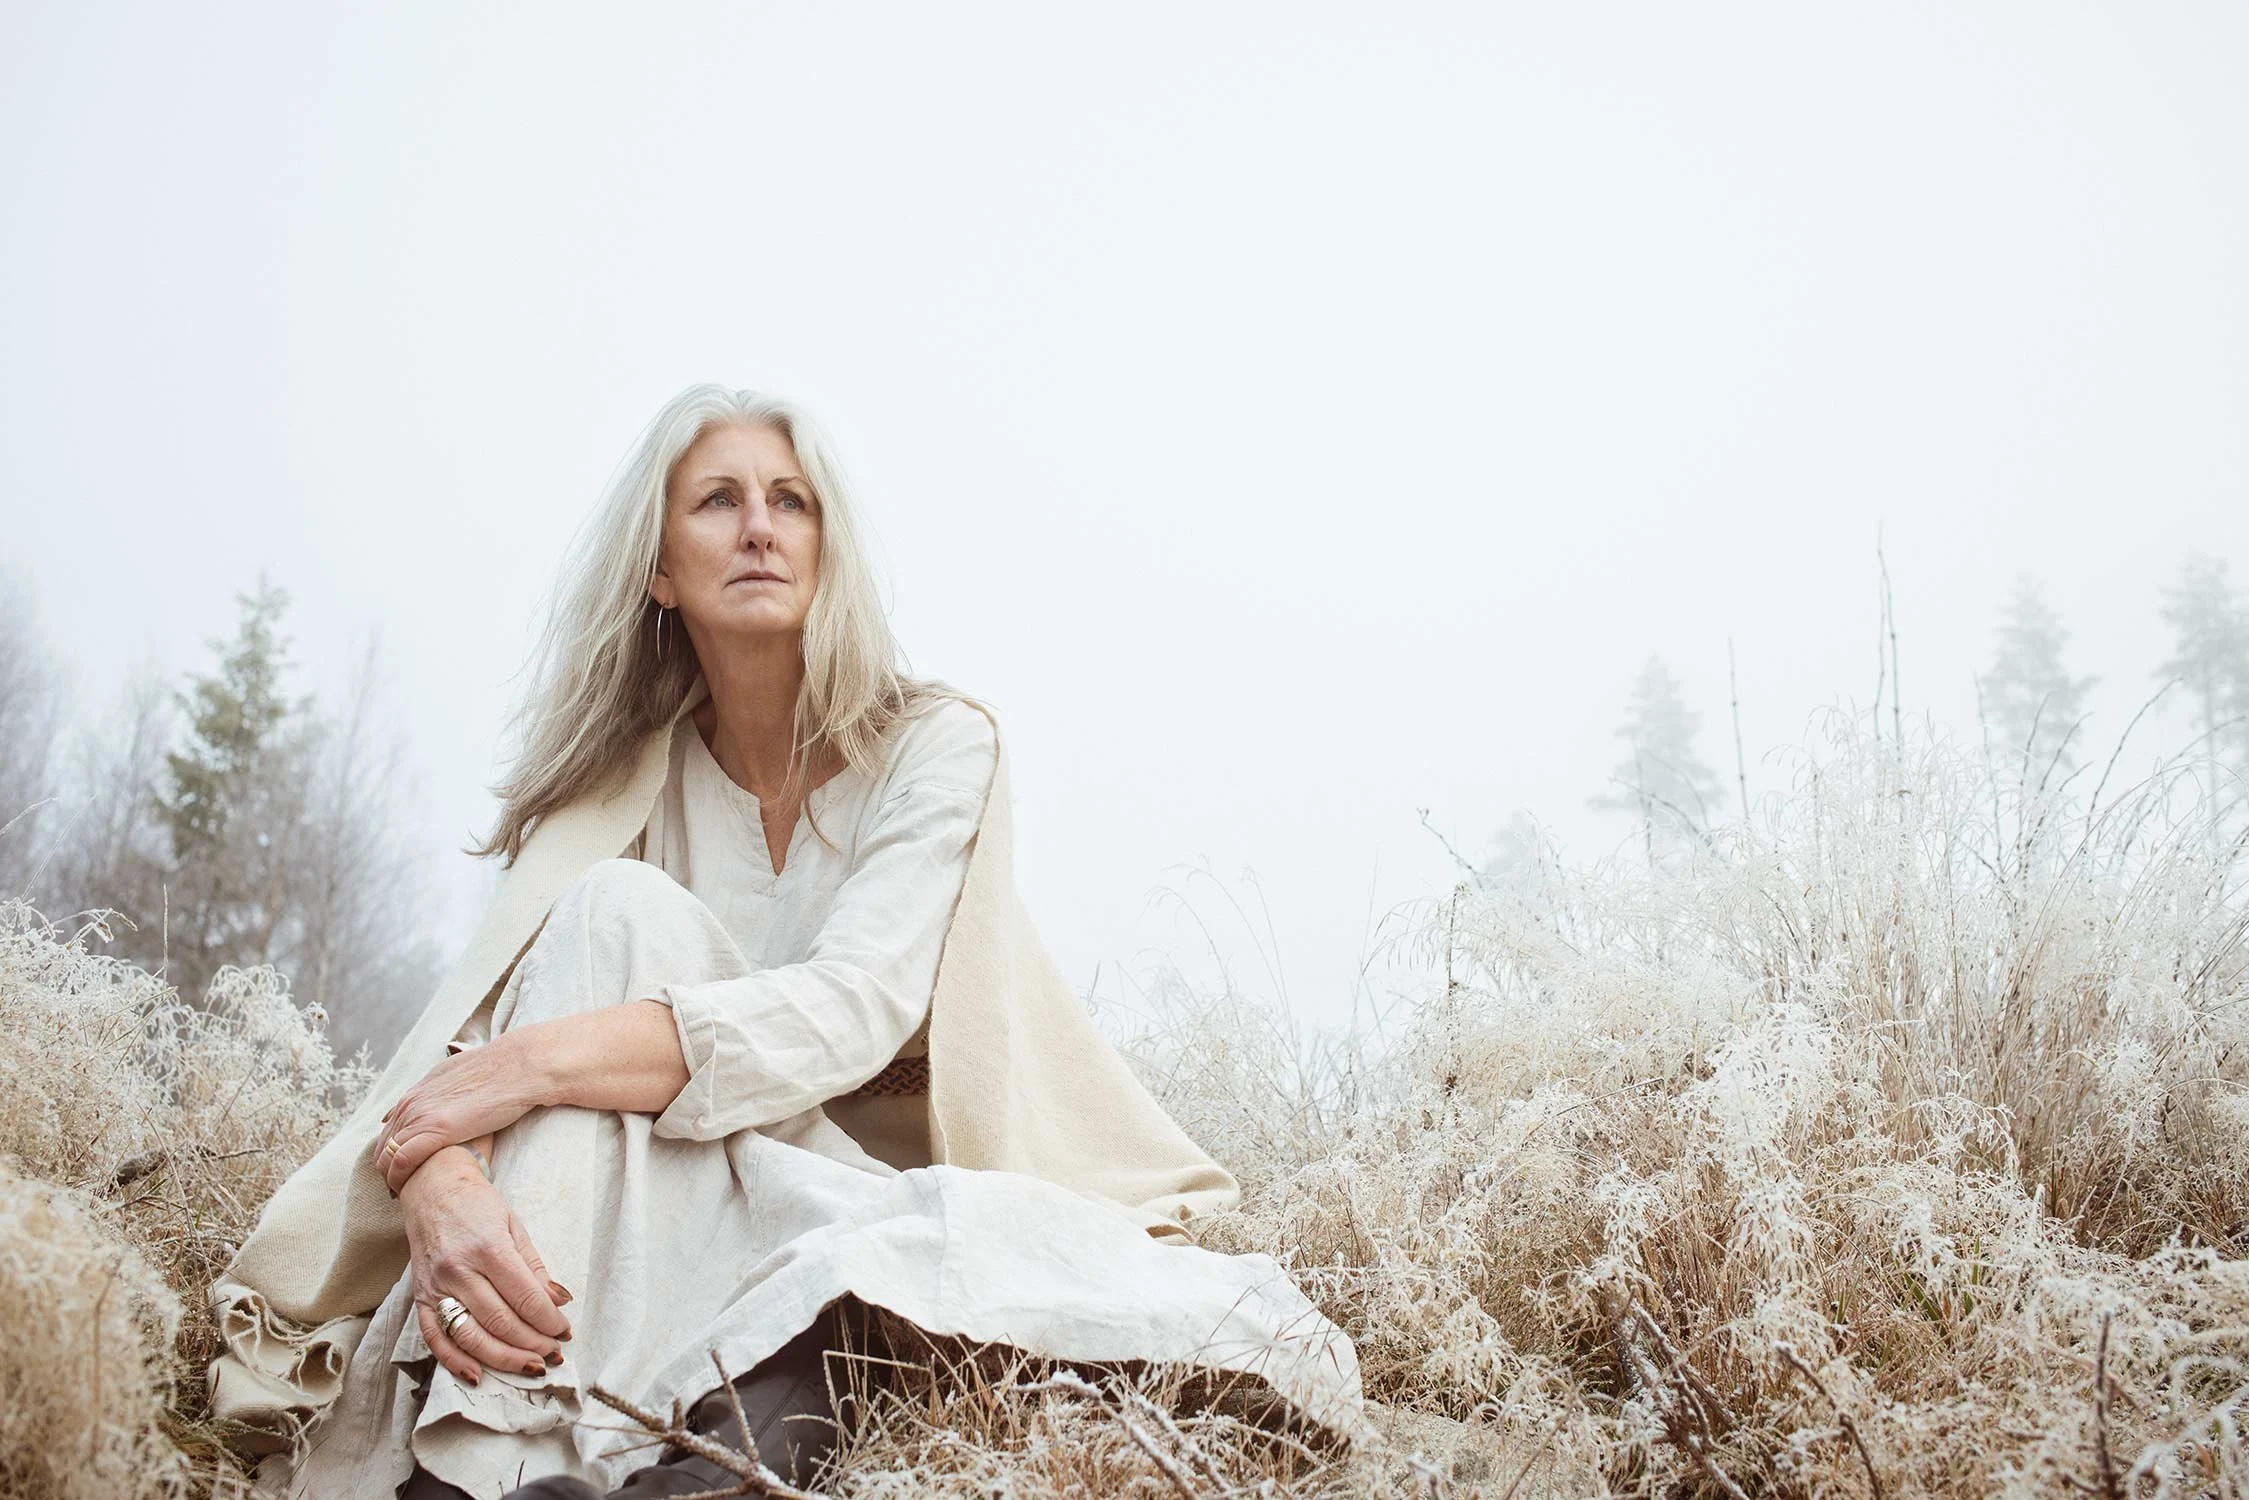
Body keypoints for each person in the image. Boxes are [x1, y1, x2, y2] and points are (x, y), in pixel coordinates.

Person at [204, 384, 1368, 1499]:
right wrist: (441, 1177)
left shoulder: (935, 747)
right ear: (658, 567)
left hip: (878, 1196)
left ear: (827, 548)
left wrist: (531, 1068)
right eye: (717, 500)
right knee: (615, 915)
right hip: (659, 1198)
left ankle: (648, 1481)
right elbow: (466, 1046)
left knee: (857, 1266)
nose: (759, 526)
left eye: (791, 500)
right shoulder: (606, 799)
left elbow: (849, 1006)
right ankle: (496, 1465)